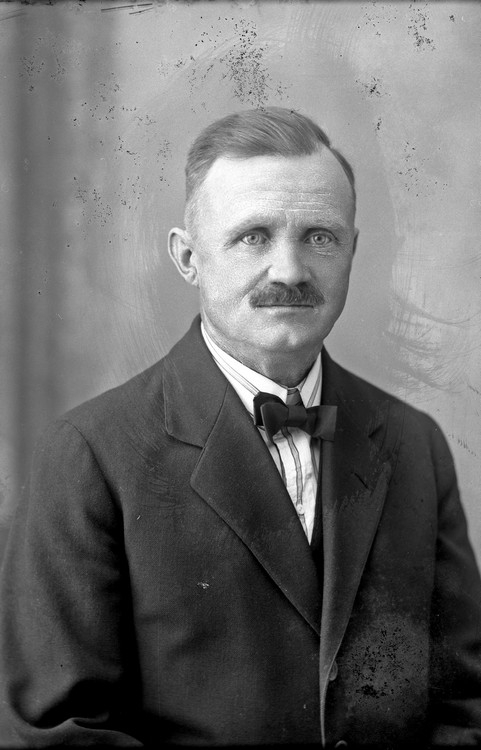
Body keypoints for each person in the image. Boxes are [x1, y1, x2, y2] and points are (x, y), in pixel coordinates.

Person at [1, 107, 480, 749]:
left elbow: (464, 704)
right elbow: (58, 732)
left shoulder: (414, 443)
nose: (290, 271)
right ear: (188, 257)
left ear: (352, 251)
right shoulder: (90, 453)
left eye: (320, 236)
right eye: (254, 236)